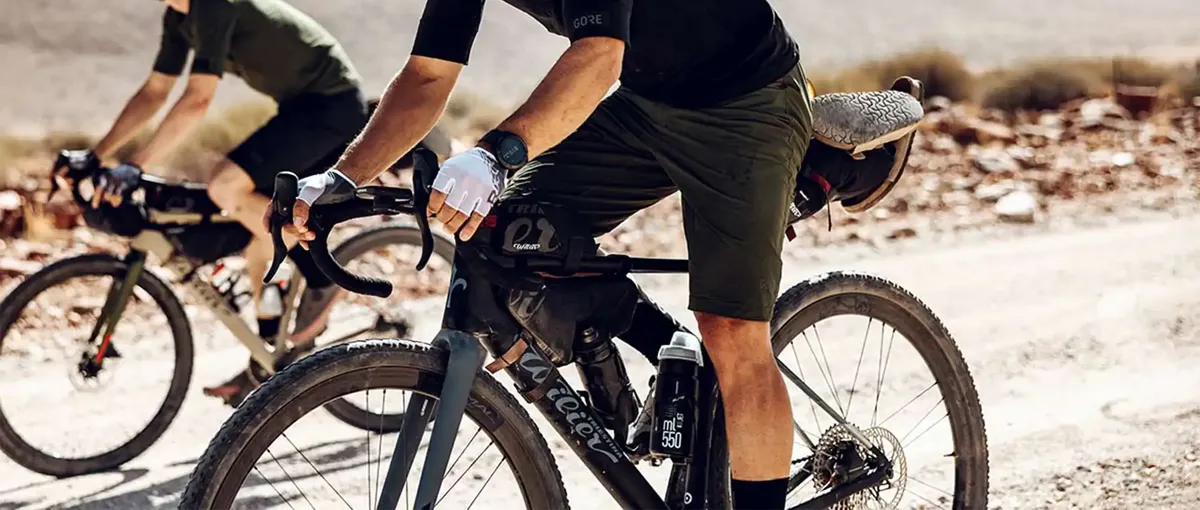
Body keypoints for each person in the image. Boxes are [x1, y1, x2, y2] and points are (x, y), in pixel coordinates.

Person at [282, 0, 917, 507]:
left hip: (744, 103)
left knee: (731, 331)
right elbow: (426, 77)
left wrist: (496, 153)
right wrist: (341, 179)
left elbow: (599, 54)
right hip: (647, 105)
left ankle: (815, 173)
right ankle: (663, 348)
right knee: (509, 229)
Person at [80, 0, 369, 406]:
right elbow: (156, 91)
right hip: (300, 108)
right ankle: (270, 359)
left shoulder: (213, 5)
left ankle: (321, 280)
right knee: (258, 240)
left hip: (331, 106)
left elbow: (197, 100)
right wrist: (98, 155)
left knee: (226, 187)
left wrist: (135, 165)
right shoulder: (179, 18)